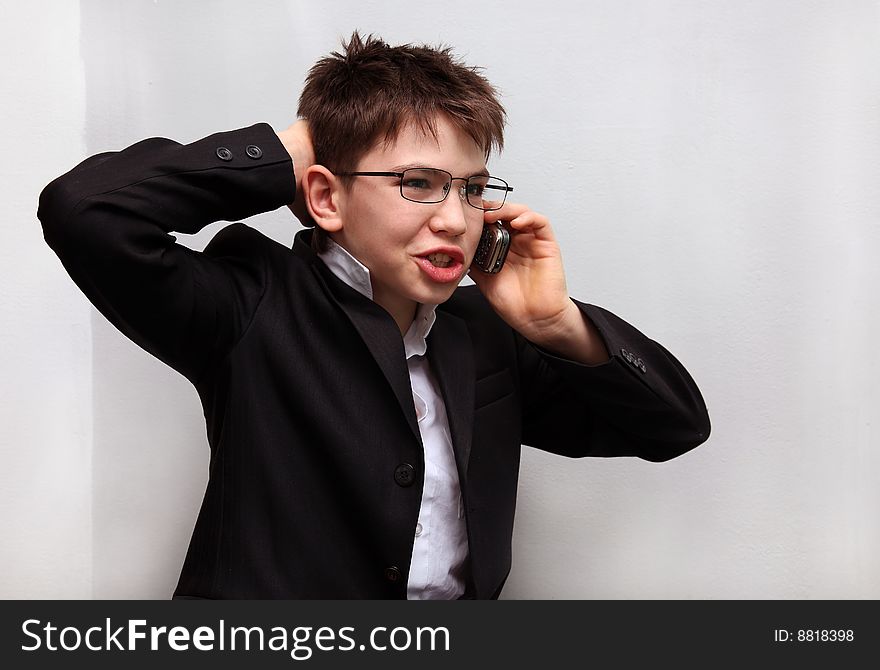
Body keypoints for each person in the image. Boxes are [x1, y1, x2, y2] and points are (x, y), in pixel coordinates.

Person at [38, 33, 710, 599]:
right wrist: (303, 145)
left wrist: (556, 321)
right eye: (417, 183)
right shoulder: (250, 303)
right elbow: (86, 211)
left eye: (473, 189)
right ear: (326, 197)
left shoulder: (483, 333)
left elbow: (673, 427)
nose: (455, 219)